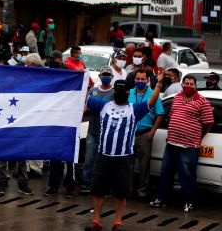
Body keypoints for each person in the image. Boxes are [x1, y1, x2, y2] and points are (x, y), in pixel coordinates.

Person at [85, 71, 163, 231]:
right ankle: (96, 221)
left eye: (123, 91)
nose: (120, 93)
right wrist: (84, 82)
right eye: (118, 91)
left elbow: (152, 101)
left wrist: (159, 84)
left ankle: (118, 222)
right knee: (98, 190)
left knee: (121, 191)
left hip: (123, 157)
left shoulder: (135, 109)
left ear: (128, 93)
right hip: (103, 155)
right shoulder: (103, 105)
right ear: (115, 92)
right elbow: (85, 98)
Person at [150, 75, 214, 212]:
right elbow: (172, 115)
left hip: (189, 146)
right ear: (182, 84)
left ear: (195, 86)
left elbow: (208, 122)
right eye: (186, 83)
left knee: (187, 175)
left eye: (191, 83)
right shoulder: (177, 98)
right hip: (172, 143)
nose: (188, 85)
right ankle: (161, 199)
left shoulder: (202, 101)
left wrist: (199, 137)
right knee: (166, 172)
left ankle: (188, 202)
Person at [128, 71, 164, 199]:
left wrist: (152, 132)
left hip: (144, 135)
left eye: (142, 79)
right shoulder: (130, 92)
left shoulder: (153, 94)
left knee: (144, 165)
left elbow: (160, 114)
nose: (139, 81)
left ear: (147, 80)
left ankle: (142, 192)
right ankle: (127, 190)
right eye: (137, 78)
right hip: (129, 134)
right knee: (127, 164)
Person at [80, 66, 114, 193]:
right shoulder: (93, 91)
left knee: (105, 161)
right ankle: (86, 184)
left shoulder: (114, 92)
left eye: (108, 75)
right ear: (100, 76)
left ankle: (102, 185)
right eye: (104, 74)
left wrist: (97, 106)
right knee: (89, 159)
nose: (106, 77)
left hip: (107, 133)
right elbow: (85, 107)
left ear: (112, 77)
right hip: (92, 131)